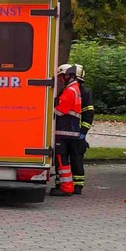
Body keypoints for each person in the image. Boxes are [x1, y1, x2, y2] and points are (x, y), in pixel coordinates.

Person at [51, 64, 84, 196]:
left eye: (60, 77)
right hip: (70, 131)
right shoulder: (75, 88)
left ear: (67, 75)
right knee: (64, 160)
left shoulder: (70, 90)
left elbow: (60, 110)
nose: (60, 80)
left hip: (64, 130)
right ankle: (66, 186)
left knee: (62, 160)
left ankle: (66, 188)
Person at [75, 64, 94, 194]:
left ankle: (78, 185)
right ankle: (68, 184)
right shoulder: (67, 90)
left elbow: (88, 114)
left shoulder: (84, 92)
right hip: (69, 132)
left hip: (77, 132)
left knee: (77, 160)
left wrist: (83, 132)